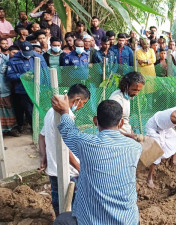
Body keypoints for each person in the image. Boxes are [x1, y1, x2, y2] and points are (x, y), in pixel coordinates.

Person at [52, 98, 142, 225]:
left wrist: (64, 112)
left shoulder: (87, 144)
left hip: (93, 221)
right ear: (121, 123)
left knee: (61, 221)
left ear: (95, 121)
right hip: (128, 220)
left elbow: (69, 131)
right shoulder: (135, 147)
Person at [39, 84, 90, 216]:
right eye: (83, 103)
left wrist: (44, 156)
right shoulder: (66, 117)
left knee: (58, 200)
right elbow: (65, 149)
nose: (82, 106)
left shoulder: (50, 112)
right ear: (77, 99)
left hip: (53, 168)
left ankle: (60, 221)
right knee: (73, 202)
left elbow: (42, 136)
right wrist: (79, 167)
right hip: (69, 170)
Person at [7, 41, 48, 132]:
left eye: (29, 53)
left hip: (39, 88)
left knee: (40, 108)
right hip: (23, 90)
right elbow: (10, 76)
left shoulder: (39, 57)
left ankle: (42, 127)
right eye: (25, 53)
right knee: (29, 110)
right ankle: (35, 129)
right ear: (20, 50)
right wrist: (22, 76)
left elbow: (46, 72)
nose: (28, 56)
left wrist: (47, 86)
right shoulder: (13, 61)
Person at [109, 72, 145, 138]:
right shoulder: (117, 100)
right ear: (125, 86)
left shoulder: (127, 97)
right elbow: (111, 128)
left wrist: (131, 133)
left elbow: (125, 120)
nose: (136, 93)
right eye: (134, 90)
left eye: (138, 90)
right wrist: (130, 136)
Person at [0, 39, 18, 136]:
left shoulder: (8, 58)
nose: (5, 45)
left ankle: (10, 129)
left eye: (7, 43)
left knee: (8, 108)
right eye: (3, 43)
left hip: (5, 89)